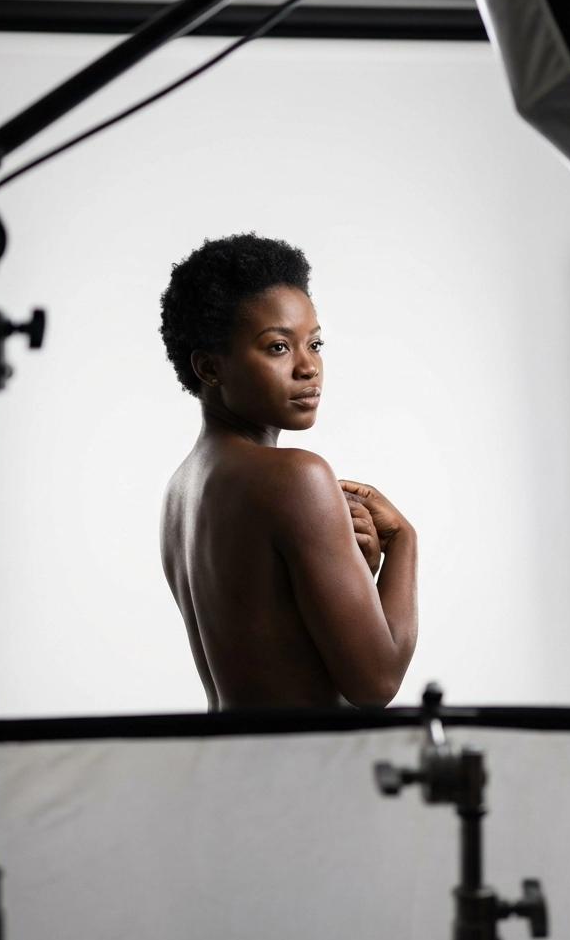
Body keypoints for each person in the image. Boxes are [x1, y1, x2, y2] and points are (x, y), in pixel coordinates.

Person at [159, 233, 418, 711]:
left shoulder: (182, 490)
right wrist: (403, 539)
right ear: (209, 367)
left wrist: (357, 573)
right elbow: (377, 682)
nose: (309, 368)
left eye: (314, 343)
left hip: (231, 765)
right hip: (301, 772)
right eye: (278, 347)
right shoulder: (296, 477)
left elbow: (269, 638)